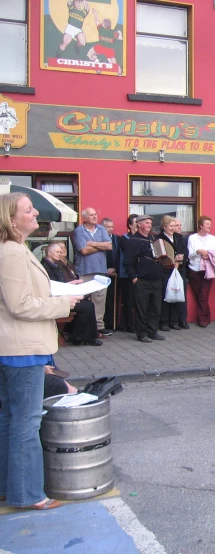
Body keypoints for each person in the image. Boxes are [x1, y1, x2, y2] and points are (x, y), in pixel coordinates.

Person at [0, 192, 82, 511]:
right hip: (21, 349)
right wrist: (63, 303)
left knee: (11, 418)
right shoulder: (12, 252)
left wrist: (61, 292)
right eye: (28, 209)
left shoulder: (15, 249)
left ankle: (10, 487)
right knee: (26, 421)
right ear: (11, 219)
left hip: (17, 347)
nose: (35, 212)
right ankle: (29, 494)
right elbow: (20, 305)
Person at [41, 243, 101, 346]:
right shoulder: (45, 266)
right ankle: (78, 337)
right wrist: (68, 286)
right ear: (50, 253)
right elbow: (51, 285)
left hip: (63, 293)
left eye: (60, 252)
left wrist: (71, 285)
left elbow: (61, 282)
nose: (59, 254)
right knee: (86, 307)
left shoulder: (56, 264)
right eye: (57, 252)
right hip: (54, 299)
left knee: (88, 303)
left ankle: (89, 336)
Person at [123, 215, 165, 343]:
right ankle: (141, 333)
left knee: (155, 308)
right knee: (142, 309)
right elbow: (127, 263)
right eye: (146, 223)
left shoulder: (154, 238)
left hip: (156, 279)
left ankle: (152, 331)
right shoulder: (133, 240)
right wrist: (134, 278)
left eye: (150, 223)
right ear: (139, 224)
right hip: (142, 280)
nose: (149, 225)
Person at [72, 207, 113, 336]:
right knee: (82, 299)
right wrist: (101, 245)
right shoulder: (79, 231)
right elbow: (83, 250)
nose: (95, 217)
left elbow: (110, 245)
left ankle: (98, 327)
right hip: (84, 270)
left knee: (100, 300)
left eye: (95, 214)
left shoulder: (101, 228)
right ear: (84, 218)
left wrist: (92, 243)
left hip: (100, 270)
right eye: (91, 215)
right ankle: (83, 328)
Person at [187, 216, 215, 327]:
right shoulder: (192, 238)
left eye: (210, 224)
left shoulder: (213, 239)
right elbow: (189, 254)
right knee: (199, 296)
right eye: (207, 224)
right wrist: (198, 251)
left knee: (203, 295)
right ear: (201, 225)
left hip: (208, 270)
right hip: (194, 269)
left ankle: (203, 320)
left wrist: (209, 255)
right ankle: (206, 316)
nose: (209, 226)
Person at [157, 215, 187, 331]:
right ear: (164, 227)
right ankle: (163, 322)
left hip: (179, 270)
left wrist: (180, 260)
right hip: (166, 270)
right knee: (166, 295)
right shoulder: (159, 238)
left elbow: (185, 251)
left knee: (177, 294)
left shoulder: (179, 237)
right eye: (171, 225)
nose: (173, 228)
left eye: (174, 225)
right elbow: (159, 254)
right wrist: (172, 260)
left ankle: (174, 321)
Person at [118, 214, 137, 333]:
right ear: (130, 225)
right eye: (135, 223)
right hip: (126, 274)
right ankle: (129, 325)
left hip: (139, 273)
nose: (138, 225)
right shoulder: (124, 238)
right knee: (128, 300)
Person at [171, 219, 190, 329]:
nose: (178, 227)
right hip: (171, 269)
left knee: (182, 295)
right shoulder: (169, 238)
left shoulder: (182, 239)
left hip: (181, 269)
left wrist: (180, 261)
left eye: (179, 225)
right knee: (172, 295)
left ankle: (182, 320)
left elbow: (186, 253)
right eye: (176, 225)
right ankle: (173, 321)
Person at [101, 217, 119, 331]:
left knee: (112, 300)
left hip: (114, 273)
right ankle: (102, 323)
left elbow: (120, 256)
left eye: (112, 227)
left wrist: (115, 269)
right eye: (108, 227)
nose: (110, 229)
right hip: (102, 272)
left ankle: (111, 324)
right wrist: (105, 269)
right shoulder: (100, 239)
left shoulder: (116, 239)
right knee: (102, 300)